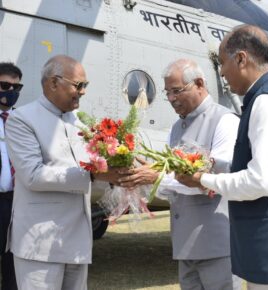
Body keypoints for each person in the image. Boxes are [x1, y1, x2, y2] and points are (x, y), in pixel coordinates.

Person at [179, 25, 268, 290]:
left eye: (222, 62)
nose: (221, 72)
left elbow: (261, 180)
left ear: (241, 59)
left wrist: (204, 180)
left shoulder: (267, 102)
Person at [120, 59, 241, 290]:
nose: (172, 99)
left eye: (177, 91)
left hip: (217, 243)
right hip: (185, 243)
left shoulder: (224, 121)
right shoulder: (176, 127)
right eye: (168, 93)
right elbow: (173, 186)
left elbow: (215, 179)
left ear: (199, 84)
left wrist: (156, 177)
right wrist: (147, 176)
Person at [5, 55, 122, 290]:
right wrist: (92, 175)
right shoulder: (21, 119)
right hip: (40, 243)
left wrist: (118, 167)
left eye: (85, 86)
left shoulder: (81, 123)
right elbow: (32, 175)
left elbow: (95, 168)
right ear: (53, 83)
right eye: (78, 85)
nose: (83, 92)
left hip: (78, 240)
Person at [0, 62, 23, 290]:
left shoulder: (21, 120)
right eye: (4, 85)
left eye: (16, 87)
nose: (10, 92)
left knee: (13, 262)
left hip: (16, 201)